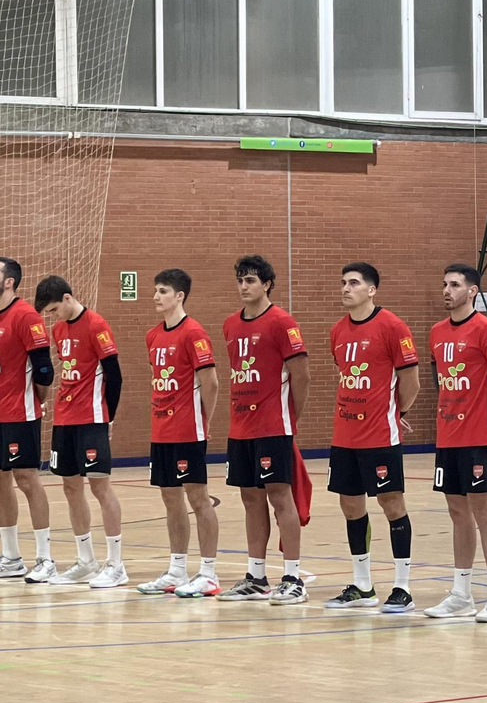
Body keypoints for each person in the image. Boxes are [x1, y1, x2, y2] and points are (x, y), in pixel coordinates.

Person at [325, 262, 421, 613]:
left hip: (380, 434)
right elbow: (344, 374)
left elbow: (411, 380)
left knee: (391, 503)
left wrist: (398, 413)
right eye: (343, 283)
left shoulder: (392, 327)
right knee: (350, 505)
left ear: (371, 290)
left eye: (353, 283)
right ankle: (363, 585)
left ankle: (402, 586)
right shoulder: (337, 331)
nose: (346, 288)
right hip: (345, 434)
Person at [422, 264, 487, 623]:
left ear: (472, 291)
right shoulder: (436, 332)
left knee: (482, 509)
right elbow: (437, 376)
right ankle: (461, 593)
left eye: (455, 285)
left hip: (479, 432)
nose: (447, 290)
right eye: (444, 284)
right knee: (456, 511)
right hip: (448, 434)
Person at [218, 254, 312, 606]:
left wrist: (291, 418)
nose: (244, 287)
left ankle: (293, 577)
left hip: (274, 425)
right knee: (249, 499)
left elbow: (301, 375)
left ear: (267, 284)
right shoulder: (230, 324)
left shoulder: (281, 322)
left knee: (280, 497)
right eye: (240, 280)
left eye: (251, 280)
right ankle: (256, 577)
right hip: (240, 426)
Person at [34, 275, 128, 589]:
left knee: (100, 487)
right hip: (65, 418)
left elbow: (114, 376)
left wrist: (107, 417)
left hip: (92, 418)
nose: (52, 317)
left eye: (53, 309)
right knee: (71, 488)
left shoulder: (97, 324)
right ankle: (85, 560)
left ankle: (116, 564)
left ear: (68, 298)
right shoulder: (59, 330)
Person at [136, 269, 222, 597]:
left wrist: (204, 421)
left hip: (188, 429)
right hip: (161, 430)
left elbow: (211, 383)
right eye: (155, 290)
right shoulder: (153, 335)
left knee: (198, 499)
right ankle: (176, 570)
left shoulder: (194, 333)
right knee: (170, 499)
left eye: (163, 291)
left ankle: (209, 573)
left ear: (179, 296)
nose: (156, 296)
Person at [0, 258, 55, 582]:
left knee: (26, 478)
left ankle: (45, 558)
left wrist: (39, 400)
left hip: (20, 411)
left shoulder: (26, 316)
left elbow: (44, 369)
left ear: (9, 282)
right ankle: (10, 557)